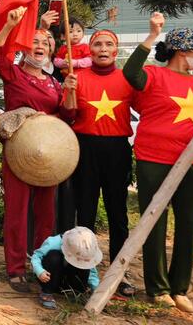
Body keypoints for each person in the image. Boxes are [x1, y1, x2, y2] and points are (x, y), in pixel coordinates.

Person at [123, 13, 193, 312]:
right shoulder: (154, 75)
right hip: (154, 158)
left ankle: (180, 287)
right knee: (153, 222)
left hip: (191, 161)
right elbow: (130, 73)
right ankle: (157, 288)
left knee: (189, 223)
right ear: (184, 51)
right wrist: (153, 35)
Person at [0, 7, 74, 292]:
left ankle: (44, 267)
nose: (40, 46)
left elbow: (68, 115)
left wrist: (71, 93)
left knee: (46, 215)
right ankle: (15, 269)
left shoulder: (54, 83)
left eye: (45, 43)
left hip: (48, 156)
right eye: (34, 42)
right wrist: (10, 26)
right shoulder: (14, 75)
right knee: (17, 211)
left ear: (51, 51)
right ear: (25, 48)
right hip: (19, 153)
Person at [61, 29, 136, 297]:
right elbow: (68, 113)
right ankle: (82, 273)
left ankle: (119, 273)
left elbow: (149, 106)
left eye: (108, 44)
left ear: (116, 50)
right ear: (89, 50)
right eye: (97, 45)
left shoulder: (127, 79)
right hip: (85, 147)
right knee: (86, 213)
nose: (103, 49)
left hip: (117, 150)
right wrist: (68, 92)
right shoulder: (76, 77)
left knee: (118, 215)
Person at [31, 226, 101, 310]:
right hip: (50, 277)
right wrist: (40, 271)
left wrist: (98, 291)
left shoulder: (86, 250)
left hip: (69, 283)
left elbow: (92, 272)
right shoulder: (53, 242)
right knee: (54, 257)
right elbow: (36, 256)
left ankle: (77, 294)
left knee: (84, 266)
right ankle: (47, 293)